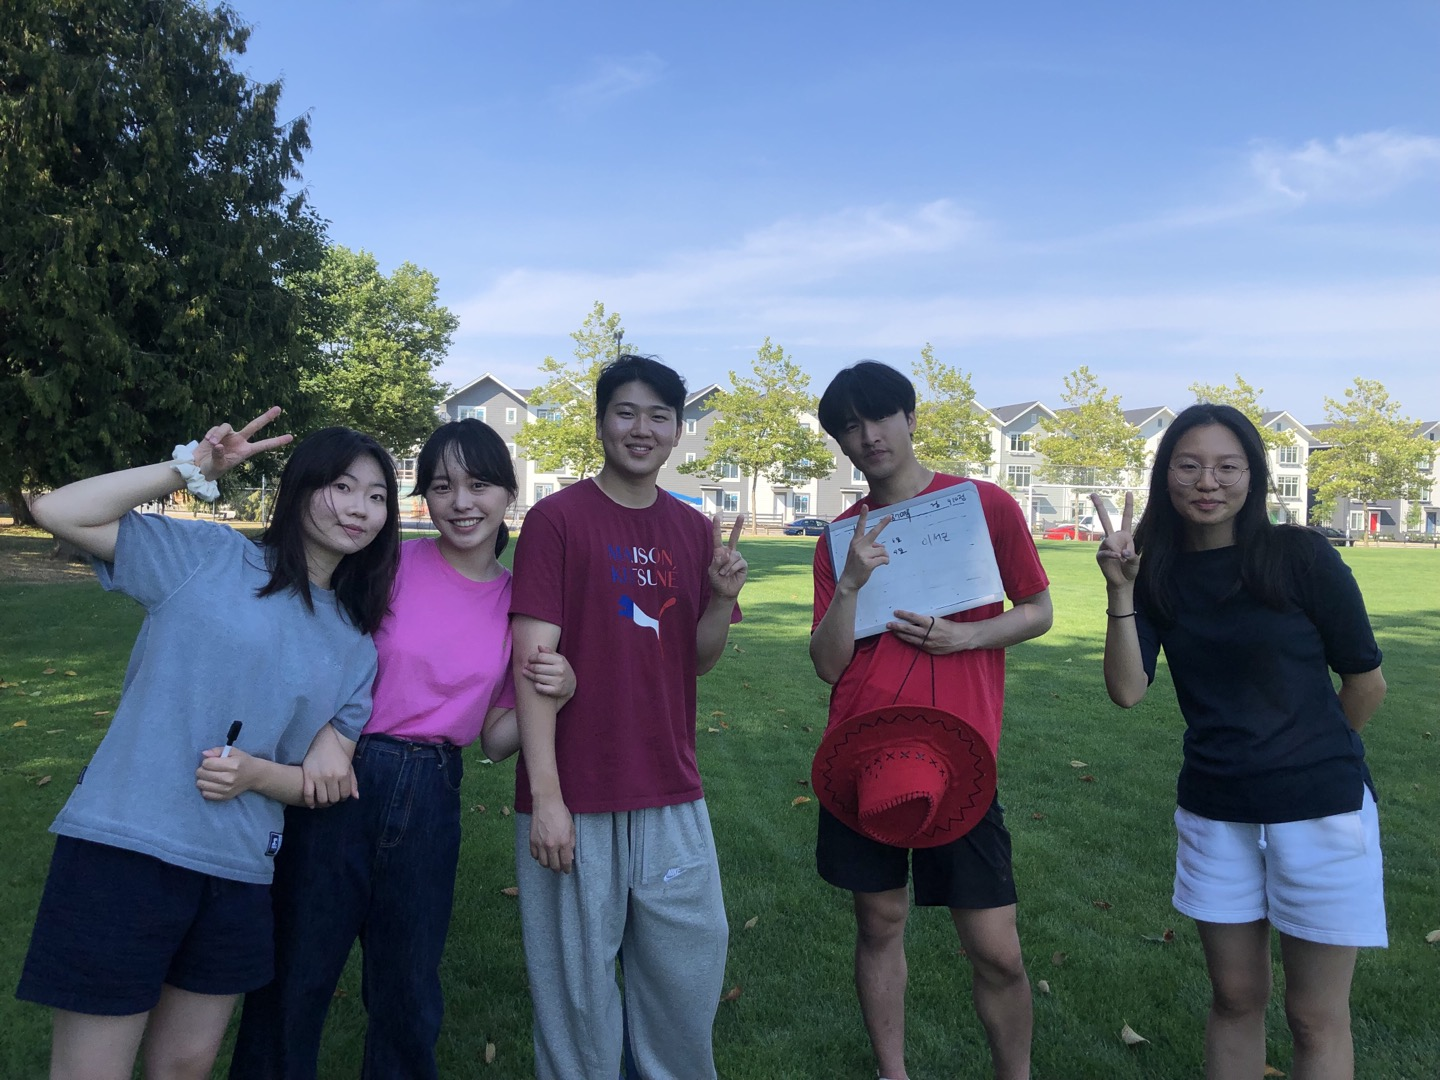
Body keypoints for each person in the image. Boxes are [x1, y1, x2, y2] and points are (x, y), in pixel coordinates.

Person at [17, 411, 399, 1080]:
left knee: (186, 1066)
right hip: (126, 845)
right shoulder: (208, 556)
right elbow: (57, 510)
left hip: (238, 870)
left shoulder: (355, 645)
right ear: (300, 486)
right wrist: (190, 468)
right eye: (342, 486)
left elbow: (323, 781)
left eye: (376, 496)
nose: (359, 509)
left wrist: (255, 775)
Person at [228, 418, 576, 1080]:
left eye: (479, 485)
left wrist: (562, 690)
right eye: (441, 486)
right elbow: (318, 652)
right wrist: (325, 737)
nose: (461, 503)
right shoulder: (387, 564)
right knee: (297, 971)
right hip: (340, 776)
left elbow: (496, 739)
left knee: (407, 990)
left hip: (431, 797)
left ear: (509, 493)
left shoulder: (517, 604)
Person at [1092, 403, 1387, 1080]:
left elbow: (1366, 683)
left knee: (1314, 1016)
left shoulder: (1300, 557)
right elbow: (1127, 690)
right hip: (1216, 814)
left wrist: (1305, 756)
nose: (1208, 482)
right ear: (1166, 474)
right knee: (1234, 998)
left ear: (1253, 476)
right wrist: (1121, 592)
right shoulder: (1155, 571)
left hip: (1321, 813)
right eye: (1189, 465)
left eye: (1228, 466)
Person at [808, 361, 1052, 1080]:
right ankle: (894, 1072)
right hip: (864, 754)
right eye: (849, 426)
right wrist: (851, 585)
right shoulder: (839, 538)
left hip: (958, 756)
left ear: (911, 418)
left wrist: (966, 637)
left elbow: (1038, 611)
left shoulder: (981, 506)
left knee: (996, 949)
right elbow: (827, 664)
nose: (868, 435)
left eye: (880, 416)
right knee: (880, 922)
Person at [509, 354, 747, 1080]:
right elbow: (534, 665)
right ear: (601, 422)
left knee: (687, 973)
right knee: (577, 996)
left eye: (658, 416)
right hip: (576, 792)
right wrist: (547, 800)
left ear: (676, 431)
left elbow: (696, 660)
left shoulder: (694, 529)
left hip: (671, 785)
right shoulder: (556, 520)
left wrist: (719, 601)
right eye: (626, 412)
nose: (641, 429)